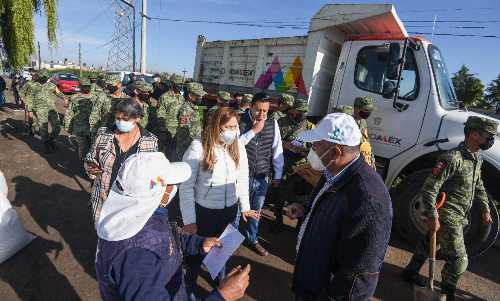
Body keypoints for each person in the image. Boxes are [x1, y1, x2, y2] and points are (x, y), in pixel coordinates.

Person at [95, 151, 251, 301]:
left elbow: (161, 239)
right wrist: (222, 296)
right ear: (159, 191)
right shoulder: (136, 260)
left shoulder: (141, 214)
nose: (173, 187)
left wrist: (198, 244)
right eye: (171, 183)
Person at [284, 113, 392, 301]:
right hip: (310, 282)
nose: (312, 150)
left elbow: (359, 277)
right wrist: (307, 211)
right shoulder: (332, 171)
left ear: (336, 152)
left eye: (316, 145)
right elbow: (332, 211)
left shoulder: (369, 200)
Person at [401, 116, 498, 301]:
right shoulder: (452, 158)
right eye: (487, 136)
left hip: (461, 213)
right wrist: (432, 215)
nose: (490, 141)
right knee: (459, 260)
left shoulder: (477, 158)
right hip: (447, 214)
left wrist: (485, 209)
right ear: (474, 135)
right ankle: (447, 293)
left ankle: (410, 272)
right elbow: (429, 188)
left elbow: (478, 186)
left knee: (429, 242)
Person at [180, 107, 259, 299]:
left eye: (235, 126)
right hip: (203, 213)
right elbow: (186, 187)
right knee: (195, 256)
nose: (234, 131)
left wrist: (245, 207)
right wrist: (190, 220)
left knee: (220, 255)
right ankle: (188, 292)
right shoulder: (198, 148)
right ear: (216, 126)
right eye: (229, 127)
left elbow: (242, 178)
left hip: (229, 212)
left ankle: (220, 290)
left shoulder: (238, 146)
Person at [85, 98, 158, 223]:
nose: (120, 122)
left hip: (130, 205)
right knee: (102, 234)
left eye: (125, 119)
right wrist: (91, 168)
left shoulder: (150, 141)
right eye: (118, 118)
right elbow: (90, 157)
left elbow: (155, 176)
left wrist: (153, 192)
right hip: (103, 199)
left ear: (137, 118)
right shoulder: (104, 134)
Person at [238, 92, 284, 256]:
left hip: (262, 175)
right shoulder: (239, 120)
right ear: (251, 106)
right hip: (241, 177)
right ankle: (229, 242)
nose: (262, 114)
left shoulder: (273, 124)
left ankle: (252, 239)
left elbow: (277, 150)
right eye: (258, 110)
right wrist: (254, 131)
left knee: (256, 211)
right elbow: (233, 147)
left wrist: (278, 174)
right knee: (237, 212)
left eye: (265, 111)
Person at [273, 98, 315, 230]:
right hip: (283, 164)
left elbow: (315, 150)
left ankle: (299, 225)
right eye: (299, 111)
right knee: (279, 194)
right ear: (293, 110)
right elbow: (273, 141)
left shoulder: (311, 127)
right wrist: (286, 145)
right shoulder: (281, 123)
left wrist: (304, 151)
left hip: (300, 168)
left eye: (304, 112)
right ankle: (278, 219)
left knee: (300, 197)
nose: (302, 114)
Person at [33, 70, 65, 153]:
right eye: (42, 76)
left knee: (57, 127)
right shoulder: (34, 86)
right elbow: (29, 98)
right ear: (39, 77)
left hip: (51, 110)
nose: (43, 78)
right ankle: (46, 144)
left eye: (45, 76)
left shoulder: (51, 85)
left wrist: (65, 98)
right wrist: (30, 109)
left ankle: (51, 140)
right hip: (40, 110)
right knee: (43, 129)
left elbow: (59, 93)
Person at [64, 79, 95, 162]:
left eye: (87, 86)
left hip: (84, 127)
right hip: (90, 128)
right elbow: (69, 113)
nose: (86, 88)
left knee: (83, 147)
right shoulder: (95, 97)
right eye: (86, 86)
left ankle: (86, 165)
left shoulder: (74, 97)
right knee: (90, 147)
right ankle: (87, 165)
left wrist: (68, 128)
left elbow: (69, 114)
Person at [156, 75, 185, 160]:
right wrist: (163, 130)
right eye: (178, 84)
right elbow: (160, 114)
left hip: (178, 130)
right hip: (168, 130)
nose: (180, 86)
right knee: (165, 154)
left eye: (181, 84)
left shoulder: (181, 97)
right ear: (172, 84)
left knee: (174, 153)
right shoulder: (164, 97)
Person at [175, 82, 205, 161]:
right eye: (199, 96)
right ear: (190, 96)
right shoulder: (186, 109)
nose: (201, 98)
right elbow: (183, 133)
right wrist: (184, 152)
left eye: (201, 96)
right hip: (187, 148)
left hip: (194, 145)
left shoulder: (194, 108)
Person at [89, 75, 123, 140]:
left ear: (119, 84)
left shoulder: (126, 98)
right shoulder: (102, 97)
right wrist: (94, 133)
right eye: (107, 84)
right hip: (105, 133)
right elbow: (94, 116)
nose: (108, 86)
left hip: (120, 135)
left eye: (111, 84)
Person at [353, 96, 376, 169]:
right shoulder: (348, 122)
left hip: (365, 162)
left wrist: (372, 160)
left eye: (370, 110)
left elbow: (367, 142)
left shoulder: (363, 122)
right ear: (357, 108)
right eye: (366, 110)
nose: (368, 112)